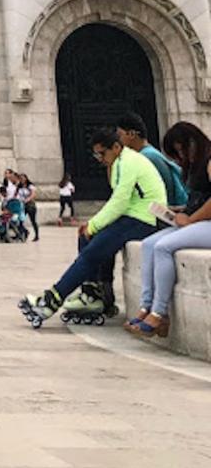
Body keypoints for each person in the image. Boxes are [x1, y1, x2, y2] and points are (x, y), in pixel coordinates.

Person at [21, 128, 167, 325]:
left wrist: (94, 224)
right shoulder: (120, 162)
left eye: (102, 153)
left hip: (144, 219)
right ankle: (92, 294)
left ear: (116, 147)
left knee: (92, 253)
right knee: (86, 236)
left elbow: (120, 201)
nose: (100, 159)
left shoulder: (128, 162)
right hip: (133, 216)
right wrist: (92, 226)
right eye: (96, 154)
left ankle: (51, 300)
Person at [128, 122, 211, 338]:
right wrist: (177, 212)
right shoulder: (195, 167)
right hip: (196, 221)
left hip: (205, 224)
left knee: (164, 247)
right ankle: (146, 306)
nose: (180, 157)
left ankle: (159, 313)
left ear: (192, 143)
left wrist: (191, 219)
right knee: (149, 244)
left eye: (180, 150)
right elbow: (200, 199)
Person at [117, 113, 189, 209]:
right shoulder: (149, 154)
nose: (119, 140)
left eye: (120, 135)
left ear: (131, 134)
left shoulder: (147, 157)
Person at [18, 174, 39, 242]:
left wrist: (27, 199)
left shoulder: (30, 186)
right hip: (22, 205)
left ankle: (36, 235)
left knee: (33, 221)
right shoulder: (19, 187)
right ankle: (24, 233)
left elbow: (33, 194)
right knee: (20, 220)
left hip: (30, 205)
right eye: (20, 178)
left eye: (23, 178)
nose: (22, 180)